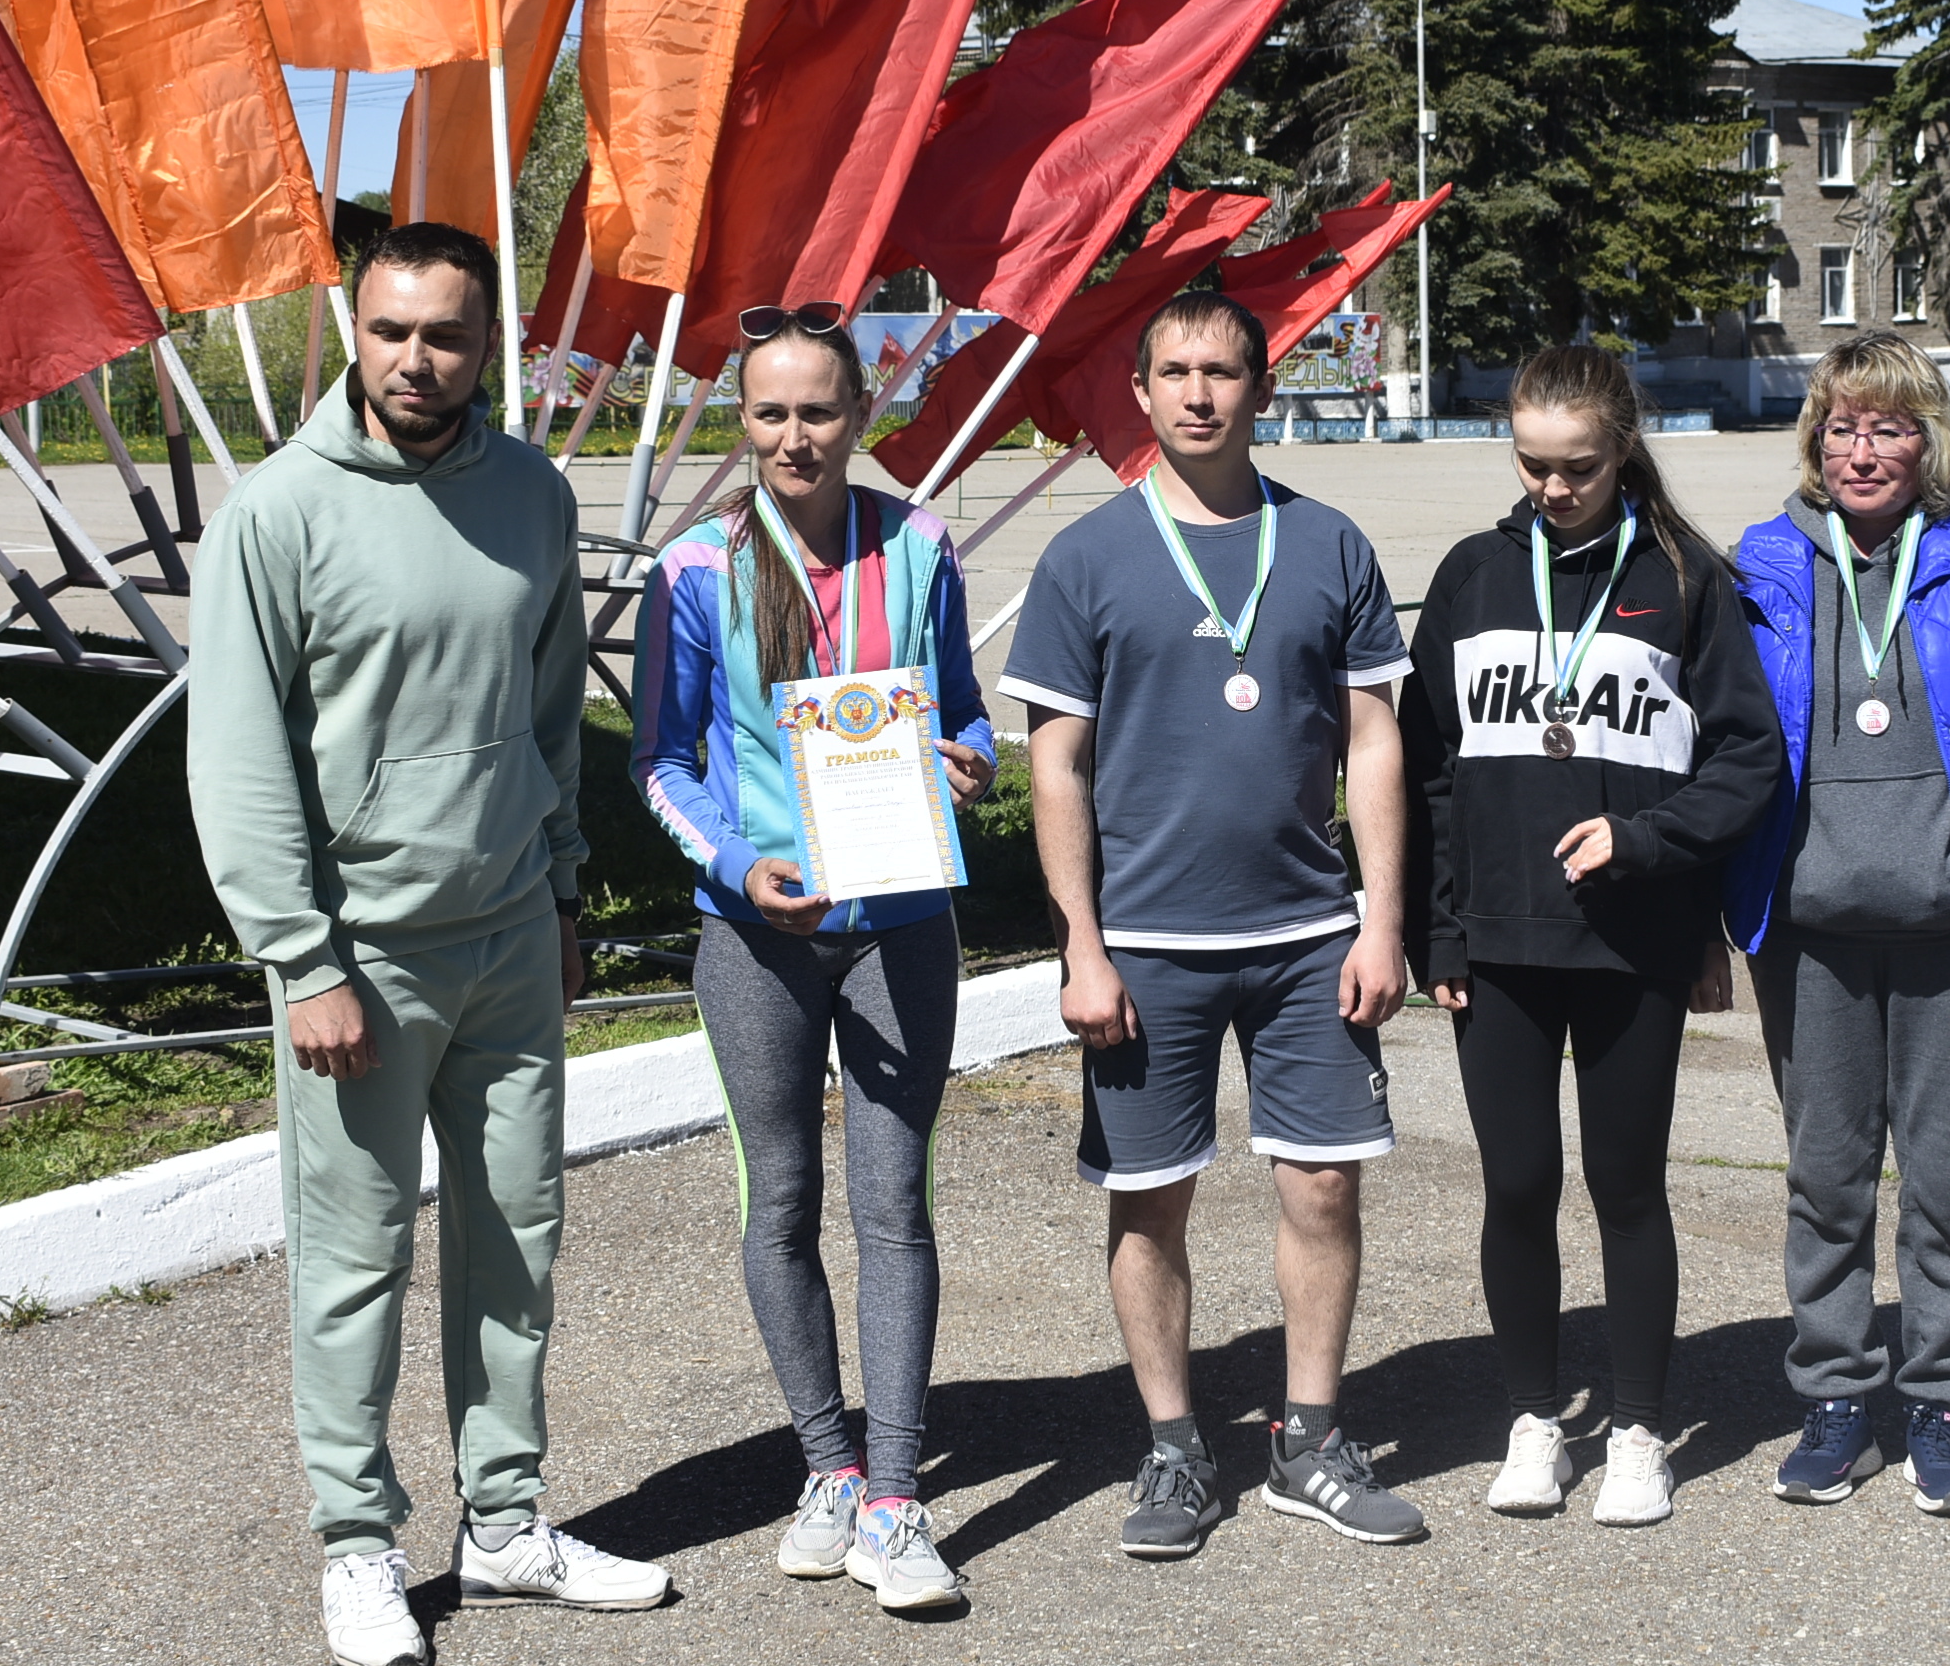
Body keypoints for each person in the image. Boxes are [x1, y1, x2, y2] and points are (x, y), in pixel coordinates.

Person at [187, 223, 669, 1666]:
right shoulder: (279, 512)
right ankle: (357, 1545)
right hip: (362, 957)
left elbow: (549, 711)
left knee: (518, 1236)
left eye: (446, 335)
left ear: (488, 344)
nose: (415, 359)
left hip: (511, 935)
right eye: (391, 329)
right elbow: (237, 755)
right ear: (357, 327)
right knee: (355, 1259)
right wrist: (301, 957)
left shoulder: (532, 494)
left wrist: (566, 893)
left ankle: (505, 1524)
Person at [1002, 291, 1420, 1559]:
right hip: (1146, 946)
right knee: (1149, 1202)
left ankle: (1308, 1440)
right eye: (1175, 371)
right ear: (1139, 390)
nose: (1198, 393)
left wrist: (1380, 919)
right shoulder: (1087, 557)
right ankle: (1177, 1446)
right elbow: (1055, 764)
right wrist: (1080, 943)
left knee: (1325, 1186)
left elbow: (1372, 741)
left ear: (1261, 387)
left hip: (1307, 935)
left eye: (1223, 371)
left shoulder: (1329, 542)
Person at [628, 304, 996, 1613]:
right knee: (779, 1202)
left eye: (819, 410)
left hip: (901, 926)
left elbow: (966, 714)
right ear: (744, 420)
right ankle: (827, 1466)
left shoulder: (922, 545)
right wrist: (738, 867)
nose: (795, 435)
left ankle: (895, 1497)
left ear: (860, 414)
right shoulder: (695, 568)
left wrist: (970, 762)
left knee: (894, 1206)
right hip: (757, 937)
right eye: (771, 412)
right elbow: (658, 761)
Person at [1399, 346, 1782, 1527]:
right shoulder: (1471, 575)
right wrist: (1437, 933)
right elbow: (1426, 768)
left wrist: (1650, 840)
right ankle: (1532, 1418)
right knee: (1516, 1182)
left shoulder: (1683, 576)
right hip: (1499, 942)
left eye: (1578, 466)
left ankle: (1636, 1429)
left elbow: (1747, 758)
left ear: (1622, 449)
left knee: (1625, 1183)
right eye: (1532, 464)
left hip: (1632, 941)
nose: (1554, 487)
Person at [1723, 331, 1950, 1518]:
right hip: (1807, 930)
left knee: (1947, 1182)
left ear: (1929, 440)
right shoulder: (1763, 561)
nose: (1862, 450)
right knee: (1825, 1179)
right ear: (1814, 440)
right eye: (1841, 426)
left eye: (1887, 426)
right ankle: (1835, 1398)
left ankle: (1942, 1403)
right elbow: (1722, 745)